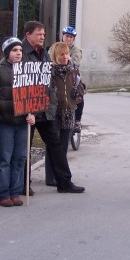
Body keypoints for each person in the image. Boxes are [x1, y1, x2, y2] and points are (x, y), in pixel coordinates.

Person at [22, 21, 85, 194]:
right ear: (28, 35)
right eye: (39, 34)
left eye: (43, 34)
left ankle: (64, 182)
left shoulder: (43, 53)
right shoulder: (21, 52)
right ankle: (24, 184)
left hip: (44, 109)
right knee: (25, 147)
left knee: (56, 145)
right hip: (27, 109)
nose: (43, 37)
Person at [0, 37, 35, 207]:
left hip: (22, 123)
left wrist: (32, 112)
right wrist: (1, 105)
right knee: (5, 158)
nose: (19, 53)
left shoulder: (28, 70)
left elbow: (35, 95)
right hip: (4, 123)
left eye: (20, 50)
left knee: (20, 158)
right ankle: (3, 193)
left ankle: (16, 191)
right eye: (14, 50)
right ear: (7, 53)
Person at [44, 42, 83, 185]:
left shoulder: (73, 70)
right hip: (54, 112)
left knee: (64, 145)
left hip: (69, 111)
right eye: (61, 54)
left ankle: (61, 176)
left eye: (66, 54)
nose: (65, 57)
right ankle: (50, 177)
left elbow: (80, 86)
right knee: (53, 145)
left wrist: (78, 92)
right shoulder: (49, 71)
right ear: (55, 55)